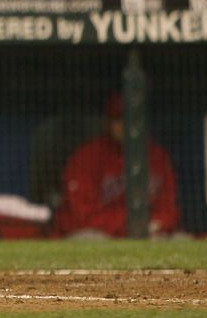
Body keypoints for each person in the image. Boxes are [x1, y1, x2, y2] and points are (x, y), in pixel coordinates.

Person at [56, 94, 180, 239]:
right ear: (108, 122)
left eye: (133, 119)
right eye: (120, 120)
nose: (127, 126)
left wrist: (154, 224)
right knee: (90, 239)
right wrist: (129, 225)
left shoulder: (158, 156)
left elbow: (169, 208)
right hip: (97, 234)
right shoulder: (87, 157)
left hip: (149, 231)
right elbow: (84, 215)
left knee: (181, 241)